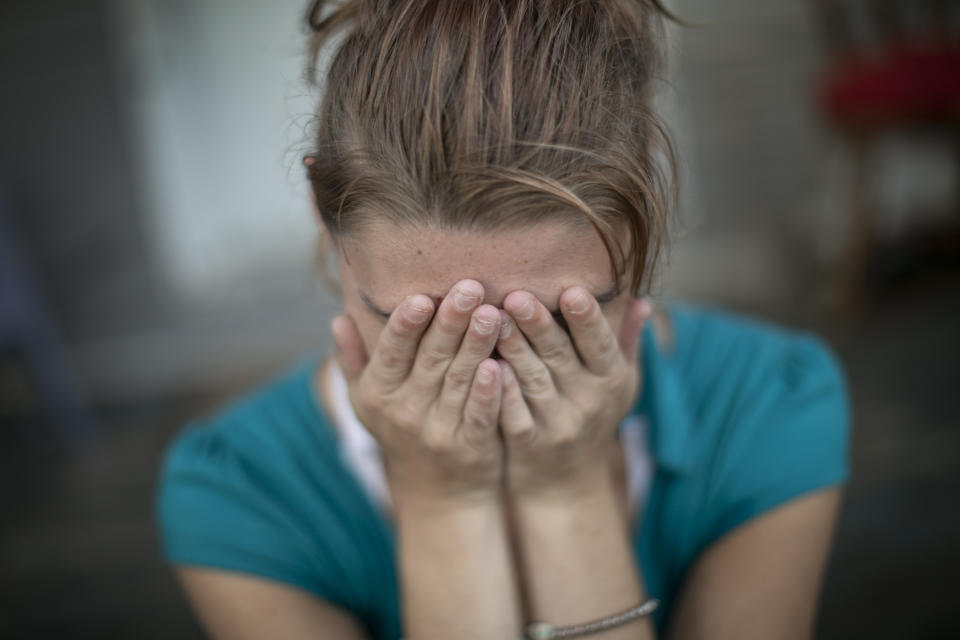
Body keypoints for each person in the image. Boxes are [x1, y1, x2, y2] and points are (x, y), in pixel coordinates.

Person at [155, 1, 852, 638]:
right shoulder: (242, 492)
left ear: (646, 195)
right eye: (427, 326)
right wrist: (444, 503)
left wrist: (567, 487)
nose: (493, 373)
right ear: (321, 211)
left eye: (559, 320)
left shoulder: (767, 405)